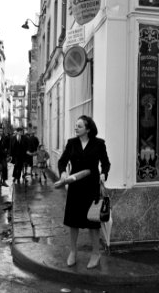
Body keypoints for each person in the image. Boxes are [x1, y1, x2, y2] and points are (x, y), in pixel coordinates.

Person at [58, 115, 111, 269]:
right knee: (73, 221)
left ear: (88, 129)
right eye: (76, 126)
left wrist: (103, 174)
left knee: (92, 222)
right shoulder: (72, 143)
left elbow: (106, 163)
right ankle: (73, 252)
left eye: (79, 126)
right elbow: (62, 161)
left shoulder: (98, 144)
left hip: (91, 186)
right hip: (75, 185)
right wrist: (62, 173)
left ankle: (96, 253)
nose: (76, 128)